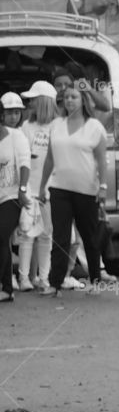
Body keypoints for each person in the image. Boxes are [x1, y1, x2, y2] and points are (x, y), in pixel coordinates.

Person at [37, 85, 109, 298]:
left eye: (74, 97)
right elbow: (50, 158)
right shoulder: (56, 125)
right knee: (60, 237)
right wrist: (41, 186)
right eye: (66, 97)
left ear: (83, 100)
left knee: (89, 237)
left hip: (87, 190)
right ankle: (55, 283)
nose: (69, 101)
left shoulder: (94, 126)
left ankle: (94, 281)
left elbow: (102, 161)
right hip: (59, 188)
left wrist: (103, 187)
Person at [18, 82, 58, 292]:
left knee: (46, 234)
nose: (30, 103)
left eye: (34, 99)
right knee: (27, 233)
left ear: (43, 102)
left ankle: (44, 278)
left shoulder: (59, 126)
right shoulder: (26, 126)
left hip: (50, 190)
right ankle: (24, 278)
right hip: (30, 188)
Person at [0, 95, 30, 302]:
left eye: (16, 112)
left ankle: (4, 287)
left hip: (11, 196)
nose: (12, 116)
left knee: (1, 237)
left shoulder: (16, 136)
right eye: (9, 112)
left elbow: (24, 164)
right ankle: (7, 289)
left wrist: (22, 189)